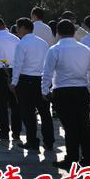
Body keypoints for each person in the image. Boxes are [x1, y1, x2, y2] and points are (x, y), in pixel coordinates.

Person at [43, 19, 90, 169]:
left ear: (58, 32)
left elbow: (47, 73)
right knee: (85, 125)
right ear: (74, 32)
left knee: (70, 126)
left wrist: (44, 90)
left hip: (63, 91)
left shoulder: (55, 50)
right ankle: (87, 157)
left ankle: (71, 157)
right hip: (82, 89)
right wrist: (88, 88)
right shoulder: (86, 49)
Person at [12, 17, 55, 152]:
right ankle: (49, 141)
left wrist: (13, 82)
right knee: (45, 113)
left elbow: (18, 65)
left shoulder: (22, 44)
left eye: (18, 27)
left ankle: (32, 141)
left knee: (28, 113)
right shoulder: (42, 43)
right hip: (41, 80)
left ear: (23, 28)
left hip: (26, 81)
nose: (17, 30)